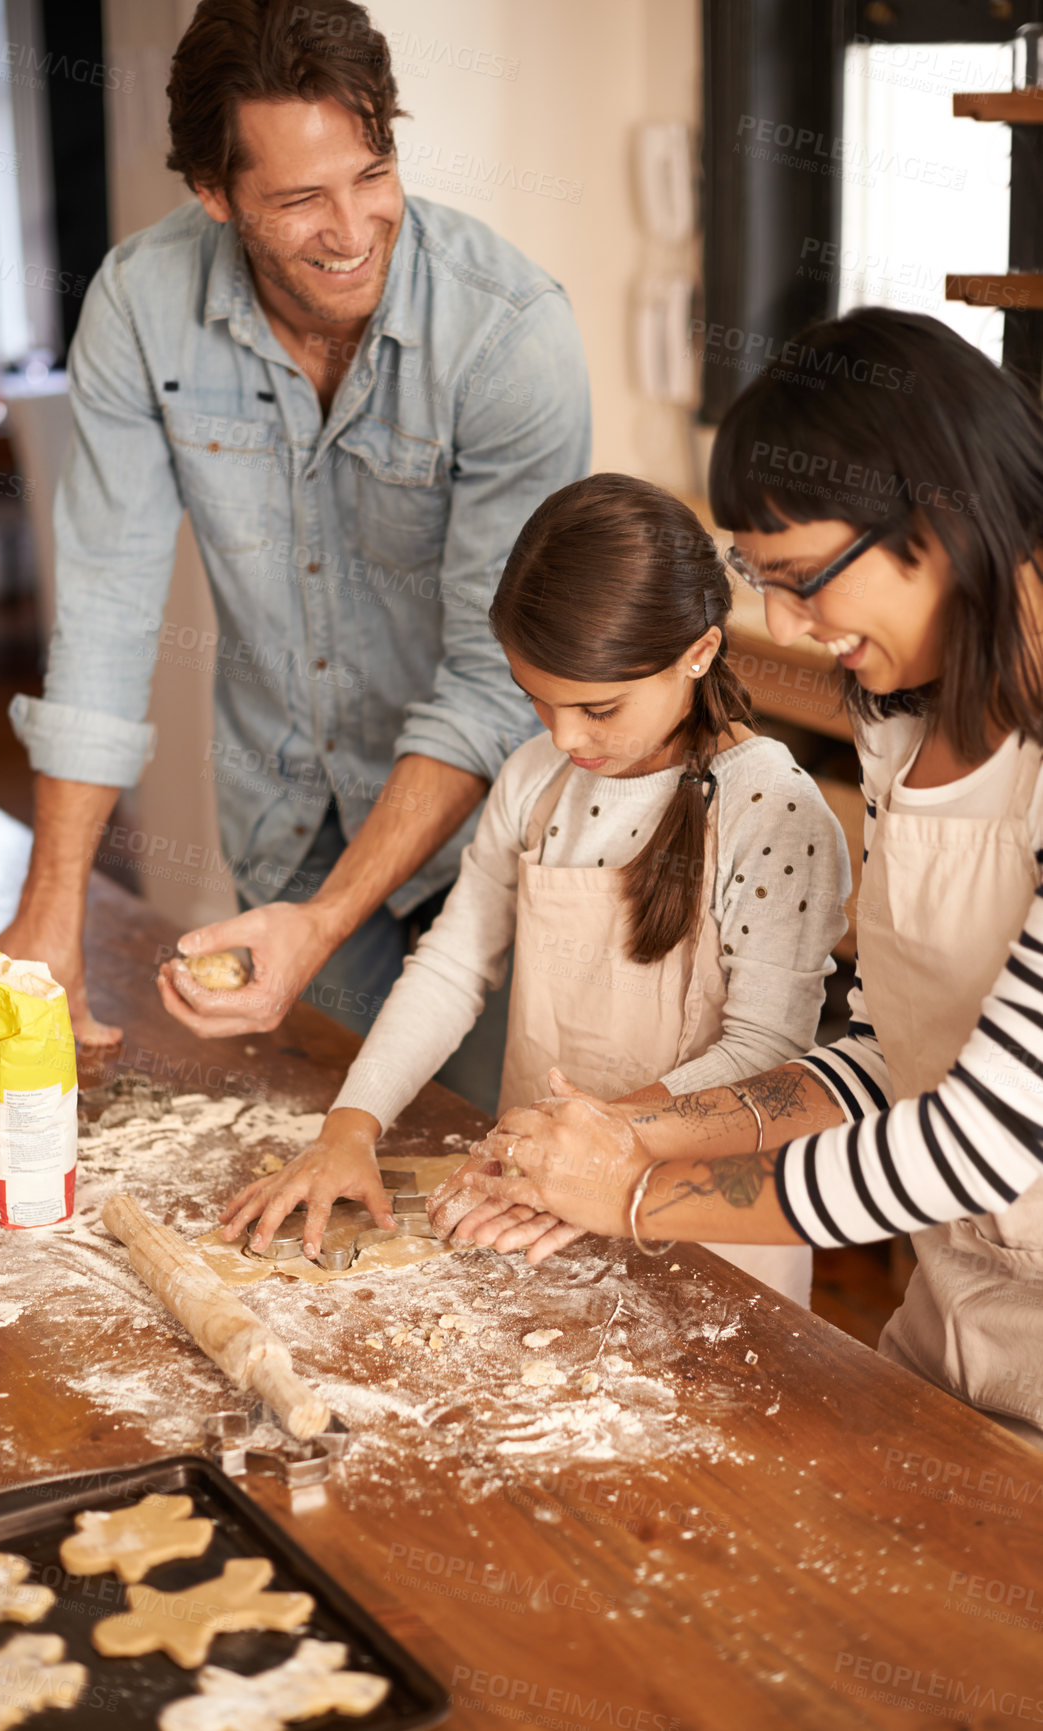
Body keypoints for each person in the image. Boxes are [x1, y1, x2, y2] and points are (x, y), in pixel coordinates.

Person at [442, 308, 1043, 1444]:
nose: (786, 624)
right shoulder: (905, 722)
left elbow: (982, 1139)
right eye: (762, 580)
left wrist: (633, 1198)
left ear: (943, 516)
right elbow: (886, 1053)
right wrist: (632, 1131)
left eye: (804, 577)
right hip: (956, 1320)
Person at [0, 0, 589, 1113]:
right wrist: (55, 905)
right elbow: (112, 611)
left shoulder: (510, 336)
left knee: (488, 1172)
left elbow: (491, 680)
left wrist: (327, 924)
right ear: (215, 197)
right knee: (334, 1163)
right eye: (302, 198)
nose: (354, 227)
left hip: (506, 847)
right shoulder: (138, 306)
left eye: (372, 173)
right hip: (289, 829)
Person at [219, 475, 851, 1305]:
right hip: (536, 1216)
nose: (563, 736)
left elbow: (765, 1056)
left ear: (697, 651)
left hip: (709, 1230)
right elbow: (451, 964)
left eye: (597, 707)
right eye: (537, 701)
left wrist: (594, 1144)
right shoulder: (536, 778)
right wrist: (352, 1123)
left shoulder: (771, 810)